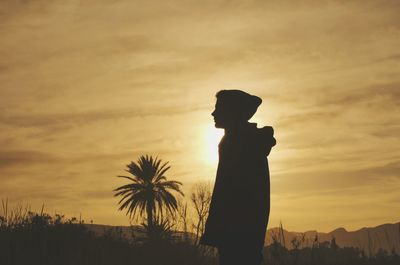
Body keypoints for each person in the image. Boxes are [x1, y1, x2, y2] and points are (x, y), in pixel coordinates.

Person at [200, 90, 276, 265]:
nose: (214, 113)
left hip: (237, 230)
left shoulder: (237, 143)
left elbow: (228, 191)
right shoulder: (238, 141)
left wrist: (220, 228)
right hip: (240, 229)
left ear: (232, 112)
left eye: (219, 108)